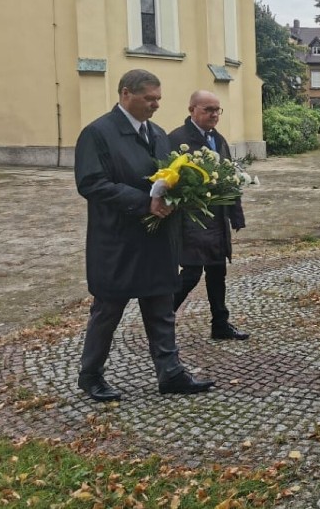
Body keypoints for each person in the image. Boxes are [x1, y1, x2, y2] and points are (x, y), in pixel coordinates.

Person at [74, 69, 216, 401]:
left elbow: (169, 176)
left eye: (158, 99)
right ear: (126, 94)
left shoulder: (158, 133)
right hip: (118, 240)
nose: (155, 105)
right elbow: (91, 183)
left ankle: (170, 373)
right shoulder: (97, 133)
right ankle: (90, 374)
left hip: (156, 239)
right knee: (108, 310)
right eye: (148, 99)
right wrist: (144, 202)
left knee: (161, 307)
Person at [168, 91, 249, 341]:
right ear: (192, 109)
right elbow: (167, 179)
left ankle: (220, 324)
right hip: (192, 219)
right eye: (208, 109)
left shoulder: (219, 139)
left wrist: (236, 215)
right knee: (191, 273)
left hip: (217, 220)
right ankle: (160, 320)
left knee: (217, 272)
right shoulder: (176, 140)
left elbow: (229, 180)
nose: (214, 114)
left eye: (217, 110)